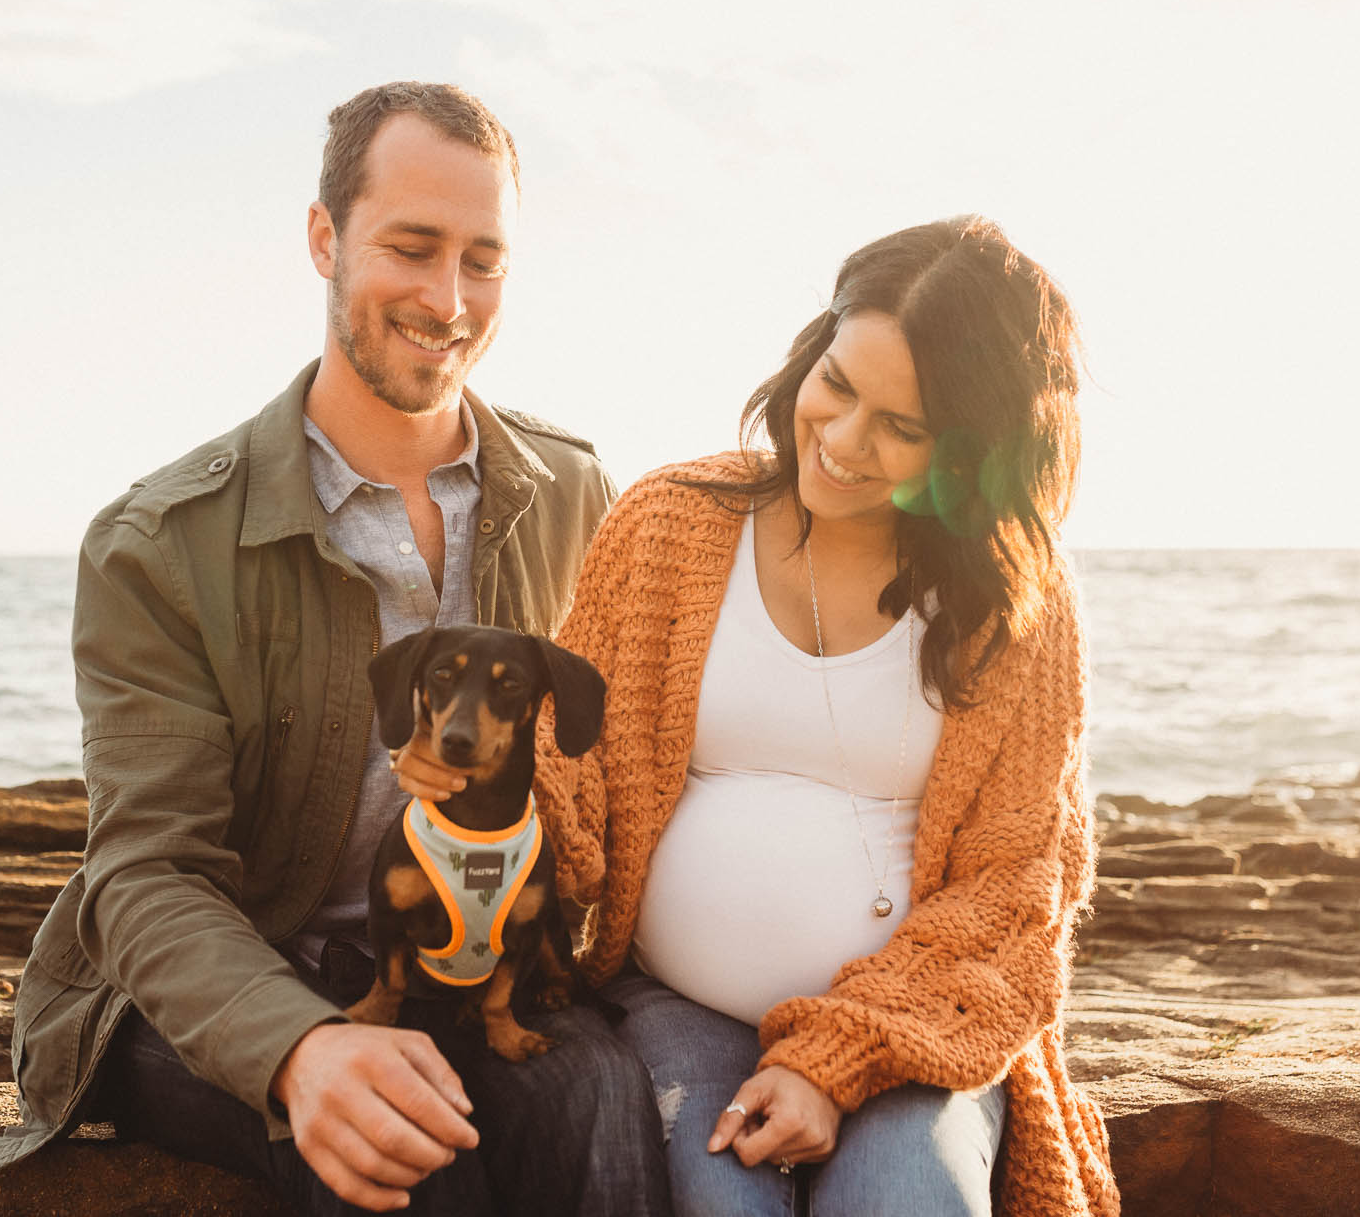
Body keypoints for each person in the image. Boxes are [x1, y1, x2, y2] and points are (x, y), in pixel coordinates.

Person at [0, 81, 672, 1217]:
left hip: (476, 960)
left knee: (600, 1103)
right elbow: (147, 874)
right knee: (407, 1156)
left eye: (483, 259)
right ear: (323, 239)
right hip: (231, 980)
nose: (448, 298)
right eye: (411, 247)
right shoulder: (159, 542)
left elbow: (638, 766)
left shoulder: (575, 497)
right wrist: (300, 1048)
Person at [402, 217, 1120, 1216]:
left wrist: (834, 1061)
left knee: (910, 1204)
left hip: (911, 1027)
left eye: (902, 430)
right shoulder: (670, 523)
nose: (841, 441)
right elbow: (575, 766)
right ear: (809, 350)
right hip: (675, 1008)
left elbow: (1017, 883)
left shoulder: (1010, 604)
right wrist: (482, 793)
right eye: (837, 384)